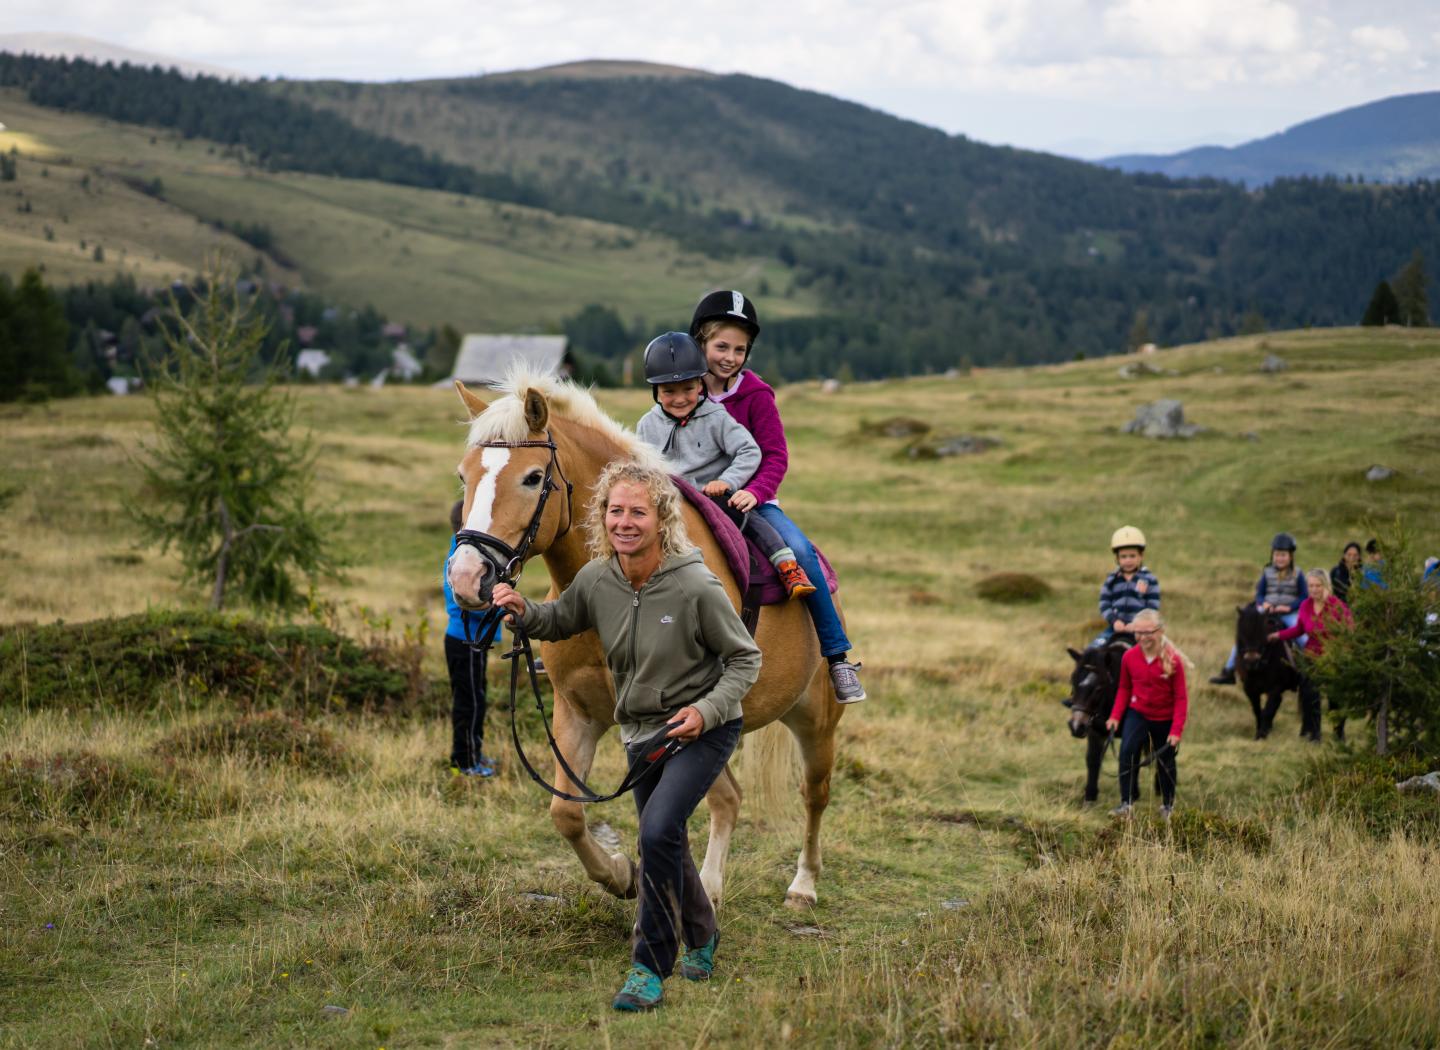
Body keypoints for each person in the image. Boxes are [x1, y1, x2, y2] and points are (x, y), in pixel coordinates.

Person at [490, 461, 761, 1012]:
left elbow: (744, 661)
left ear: (660, 518)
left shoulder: (694, 584)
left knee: (657, 831)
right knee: (668, 842)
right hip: (642, 734)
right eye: (615, 511)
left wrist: (707, 712)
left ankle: (649, 965)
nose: (625, 522)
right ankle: (704, 935)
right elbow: (558, 620)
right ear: (602, 516)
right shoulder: (598, 579)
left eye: (637, 511)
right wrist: (523, 612)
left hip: (702, 729)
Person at [690, 289, 866, 703]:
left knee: (802, 553)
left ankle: (837, 657)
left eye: (740, 349)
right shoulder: (682, 389)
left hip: (750, 501)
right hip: (690, 499)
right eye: (721, 346)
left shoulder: (757, 395)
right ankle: (587, 635)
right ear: (700, 341)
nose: (730, 356)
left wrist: (755, 491)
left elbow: (775, 456)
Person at [635, 331, 815, 599]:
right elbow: (641, 468)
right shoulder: (646, 425)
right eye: (669, 391)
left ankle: (787, 566)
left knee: (751, 520)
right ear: (656, 392)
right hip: (670, 503)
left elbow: (749, 451)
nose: (680, 398)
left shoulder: (716, 417)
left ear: (700, 385)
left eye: (688, 389)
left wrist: (727, 482)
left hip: (716, 497)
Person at [1105, 609, 1189, 820]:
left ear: (1160, 631)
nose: (1143, 637)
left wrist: (1176, 730)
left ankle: (1168, 806)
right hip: (1138, 714)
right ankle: (1126, 804)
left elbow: (1181, 698)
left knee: (1166, 761)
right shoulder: (1129, 657)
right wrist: (1115, 716)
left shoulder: (1174, 660)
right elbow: (1124, 688)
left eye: (1148, 632)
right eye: (1138, 632)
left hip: (1165, 718)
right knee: (1127, 753)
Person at [444, 500, 501, 777]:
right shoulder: (461, 563)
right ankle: (464, 762)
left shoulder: (463, 556)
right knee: (469, 702)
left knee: (477, 697)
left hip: (473, 641)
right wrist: (500, 603)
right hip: (464, 641)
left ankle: (474, 754)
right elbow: (469, 602)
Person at [1210, 532, 1308, 685]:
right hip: (1266, 612)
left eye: (1283, 555)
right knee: (1246, 637)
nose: (1279, 558)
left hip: (1288, 613)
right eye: (1277, 555)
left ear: (1290, 556)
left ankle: (1310, 671)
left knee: (1303, 638)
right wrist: (1263, 603)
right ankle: (1228, 671)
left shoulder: (1299, 574)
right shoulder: (1267, 572)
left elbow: (1304, 596)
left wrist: (1288, 607)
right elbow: (1259, 593)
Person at [1269, 568, 1353, 742]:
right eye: (1311, 586)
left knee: (1335, 699)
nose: (1314, 589)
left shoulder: (1337, 606)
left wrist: (1341, 650)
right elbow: (1300, 629)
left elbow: (1350, 629)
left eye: (1318, 585)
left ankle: (1339, 733)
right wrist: (1278, 635)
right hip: (1311, 656)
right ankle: (1314, 735)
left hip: (1333, 658)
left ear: (1326, 585)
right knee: (1309, 695)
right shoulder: (1306, 605)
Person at [1089, 526, 1161, 649]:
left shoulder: (1149, 580)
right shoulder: (1112, 580)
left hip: (1141, 631)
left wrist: (1137, 624)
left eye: (1132, 556)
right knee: (1092, 650)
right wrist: (1115, 621)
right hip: (1115, 629)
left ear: (1141, 556)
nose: (1128, 561)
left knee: (1163, 656)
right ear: (1117, 558)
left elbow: (1152, 607)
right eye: (1123, 557)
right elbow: (1104, 603)